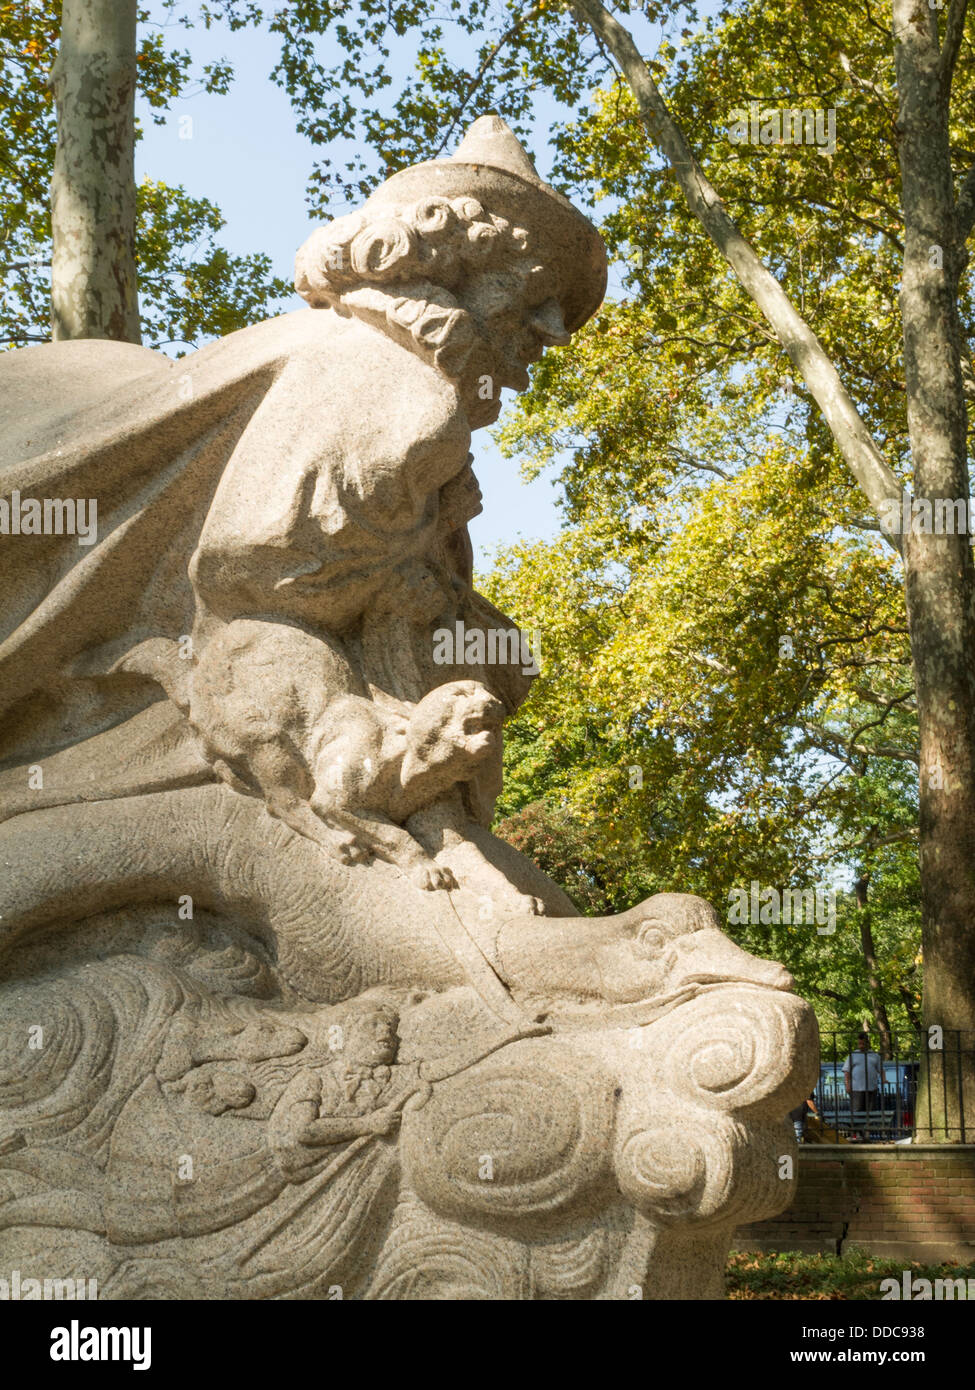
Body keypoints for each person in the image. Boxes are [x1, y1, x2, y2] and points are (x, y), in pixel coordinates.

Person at [843, 1032, 882, 1140]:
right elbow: (846, 1071)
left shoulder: (875, 1056)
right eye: (859, 1044)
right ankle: (857, 1134)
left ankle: (867, 1134)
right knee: (856, 1112)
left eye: (863, 1044)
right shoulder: (853, 1055)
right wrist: (847, 1085)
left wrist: (884, 1079)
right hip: (856, 1089)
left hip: (871, 1088)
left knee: (869, 1112)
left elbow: (881, 1069)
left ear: (867, 1043)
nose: (861, 1046)